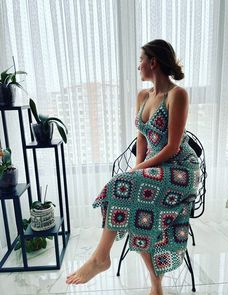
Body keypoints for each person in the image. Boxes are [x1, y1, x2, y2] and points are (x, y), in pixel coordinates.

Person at [66, 39, 200, 295]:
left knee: (123, 187)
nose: (138, 66)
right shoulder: (143, 96)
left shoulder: (177, 95)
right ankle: (155, 283)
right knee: (135, 203)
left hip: (180, 170)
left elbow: (172, 147)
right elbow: (142, 140)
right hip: (156, 169)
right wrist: (137, 171)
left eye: (141, 60)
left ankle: (100, 258)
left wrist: (135, 173)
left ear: (153, 62)